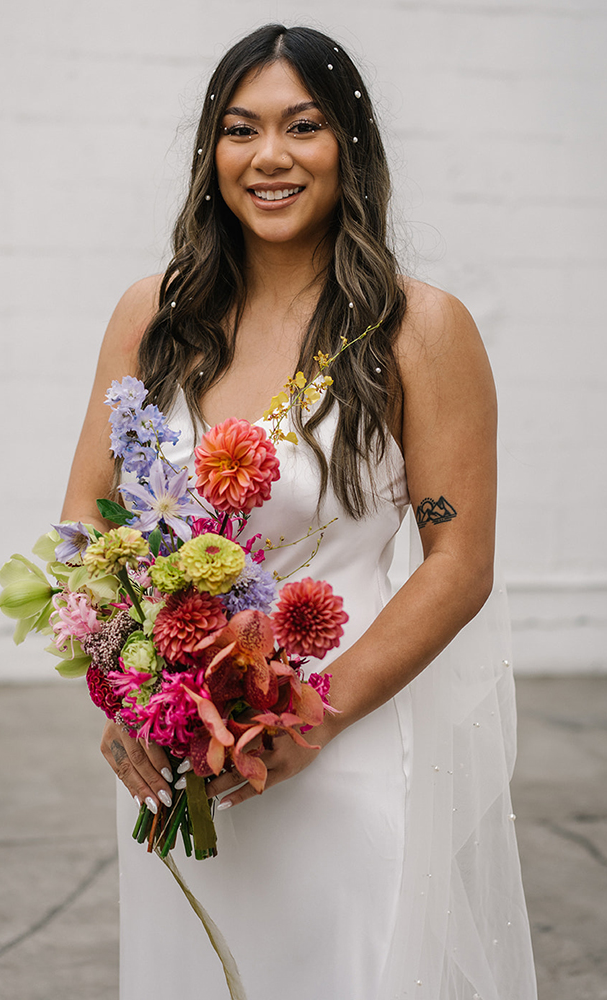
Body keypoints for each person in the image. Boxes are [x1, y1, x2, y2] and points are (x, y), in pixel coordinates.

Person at [61, 24, 538, 1000]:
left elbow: (458, 562)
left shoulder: (418, 329)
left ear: (347, 146)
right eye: (241, 129)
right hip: (175, 752)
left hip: (337, 743)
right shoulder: (152, 315)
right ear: (212, 152)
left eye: (301, 126)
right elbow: (88, 513)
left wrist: (309, 717)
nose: (269, 155)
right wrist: (117, 687)